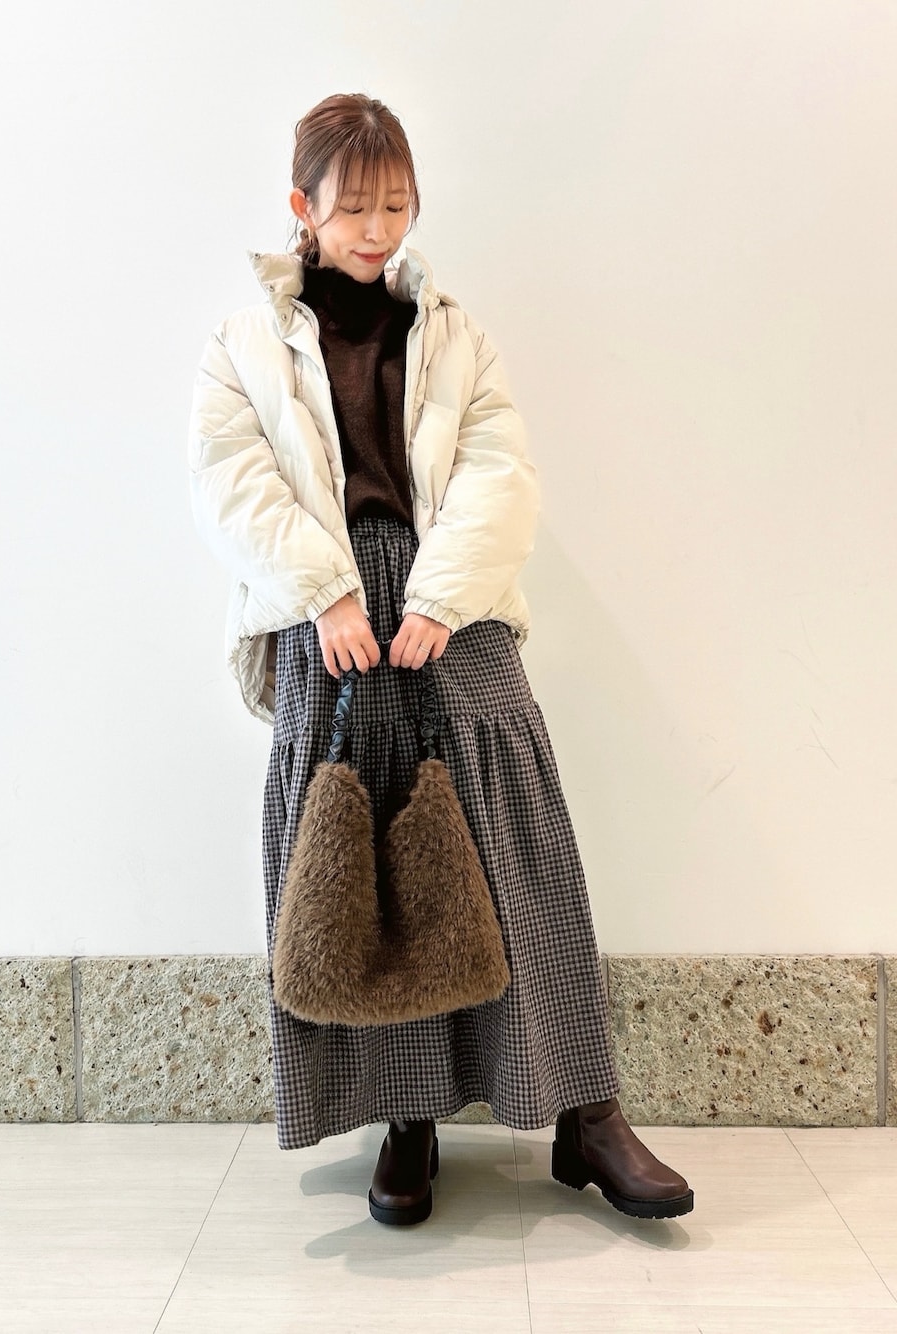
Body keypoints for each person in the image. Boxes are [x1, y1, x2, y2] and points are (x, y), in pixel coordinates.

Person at [188, 93, 692, 1226]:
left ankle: (588, 1116)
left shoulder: (454, 332)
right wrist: (324, 592)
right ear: (302, 207)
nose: (377, 229)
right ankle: (405, 1118)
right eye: (354, 208)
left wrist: (440, 598)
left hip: (449, 606)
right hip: (326, 614)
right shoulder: (242, 344)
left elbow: (499, 472)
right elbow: (230, 482)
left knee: (516, 840)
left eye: (397, 205)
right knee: (364, 858)